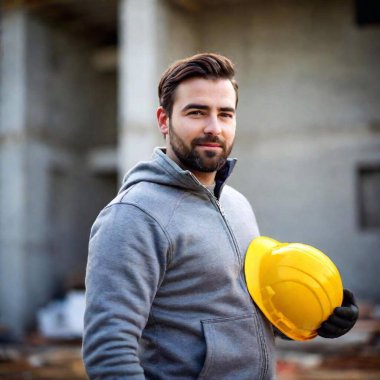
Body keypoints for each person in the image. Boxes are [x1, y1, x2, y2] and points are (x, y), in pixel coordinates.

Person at [83, 53, 358, 379]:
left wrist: (319, 316)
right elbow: (109, 351)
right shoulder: (134, 216)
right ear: (163, 120)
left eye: (225, 114)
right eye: (197, 112)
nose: (214, 128)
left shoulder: (237, 204)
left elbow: (244, 312)